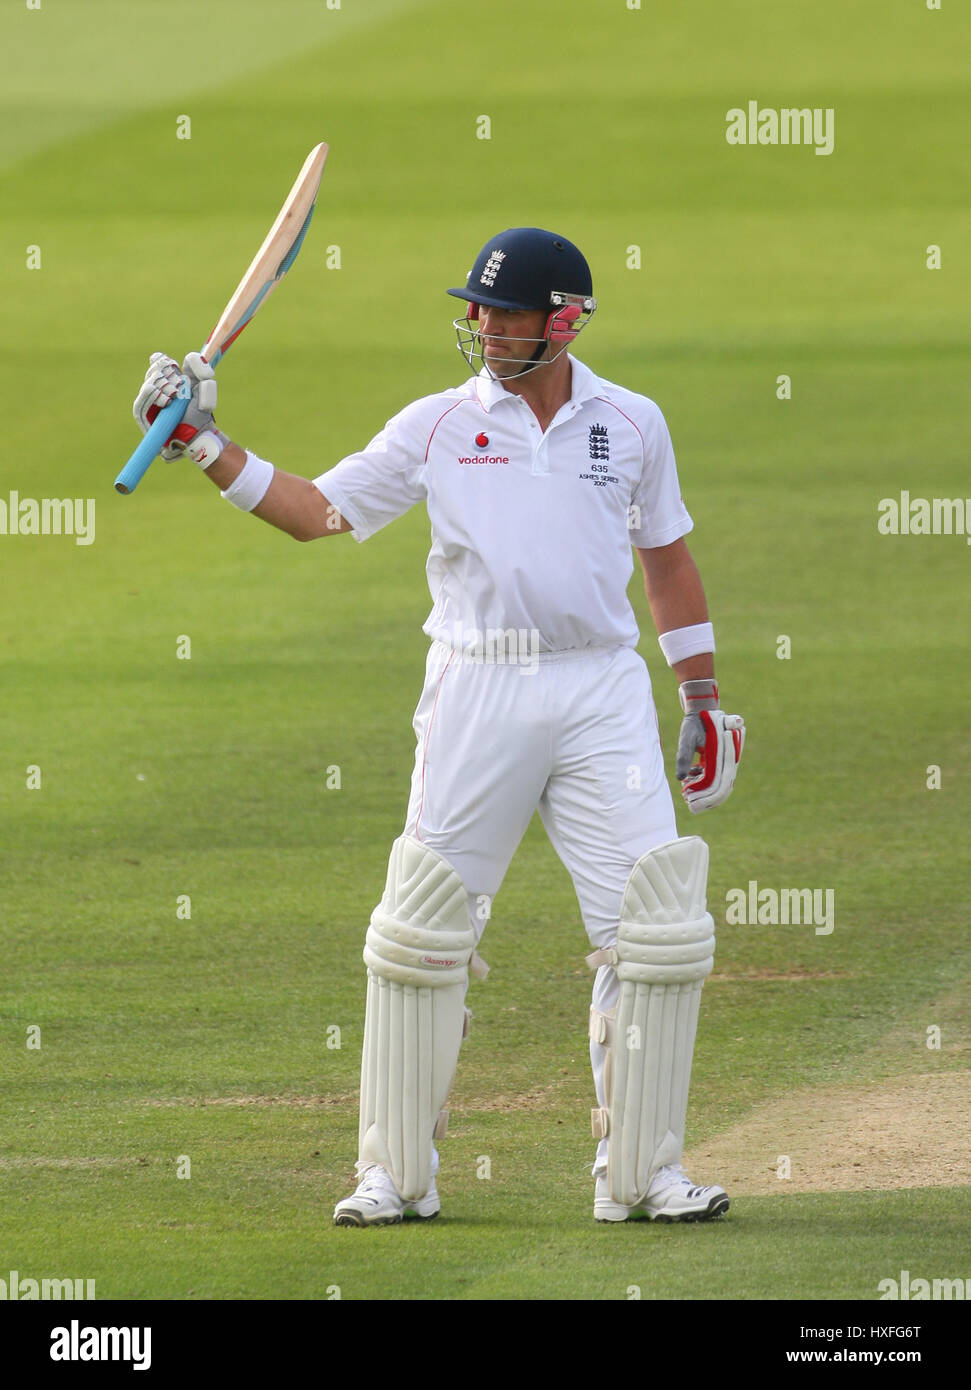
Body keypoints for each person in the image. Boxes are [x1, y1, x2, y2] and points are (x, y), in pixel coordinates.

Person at [132, 226, 745, 1226]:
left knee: (656, 927)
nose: (478, 326)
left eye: (499, 313)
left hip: (599, 688)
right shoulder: (435, 426)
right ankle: (395, 1177)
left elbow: (665, 555)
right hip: (477, 685)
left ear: (565, 319)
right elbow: (313, 511)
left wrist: (701, 693)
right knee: (421, 931)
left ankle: (641, 1175)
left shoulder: (630, 423)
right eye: (474, 308)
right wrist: (202, 441)